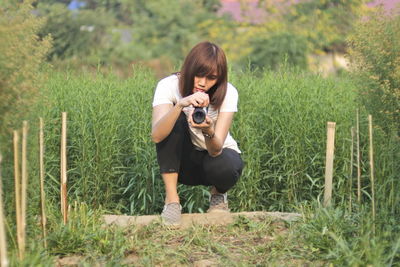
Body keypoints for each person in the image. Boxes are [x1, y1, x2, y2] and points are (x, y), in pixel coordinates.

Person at [151, 41, 243, 225]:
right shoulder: (168, 85)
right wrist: (181, 105)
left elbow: (216, 150)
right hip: (183, 163)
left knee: (225, 164)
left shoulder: (229, 92)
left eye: (211, 78)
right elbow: (157, 135)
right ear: (189, 68)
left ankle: (218, 195)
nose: (203, 82)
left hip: (214, 158)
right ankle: (172, 201)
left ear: (220, 78)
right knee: (172, 119)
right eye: (199, 74)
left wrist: (208, 130)